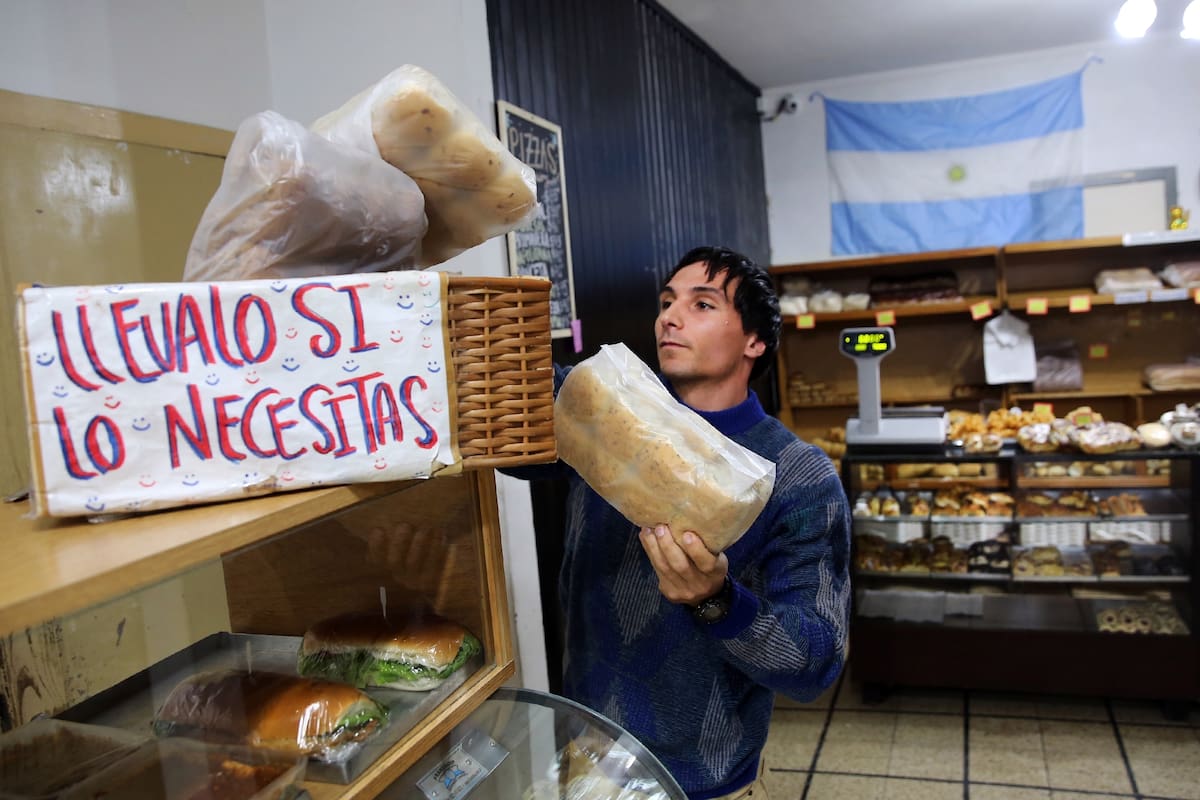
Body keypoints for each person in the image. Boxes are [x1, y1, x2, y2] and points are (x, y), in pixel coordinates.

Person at [505, 246, 851, 800]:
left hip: (706, 782)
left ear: (754, 341)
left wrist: (716, 601)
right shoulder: (607, 416)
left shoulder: (798, 475)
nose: (670, 315)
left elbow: (815, 661)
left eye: (702, 304)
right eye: (667, 301)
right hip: (589, 757)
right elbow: (508, 434)